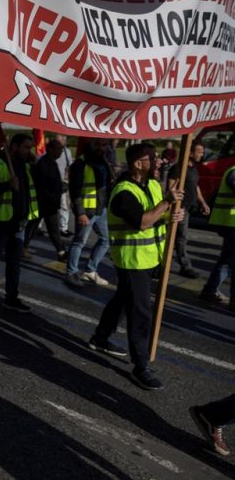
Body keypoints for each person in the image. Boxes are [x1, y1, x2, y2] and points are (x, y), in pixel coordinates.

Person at [88, 143, 184, 390]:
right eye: (153, 158)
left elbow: (155, 215)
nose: (159, 162)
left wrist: (169, 215)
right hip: (132, 261)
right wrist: (165, 203)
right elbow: (142, 222)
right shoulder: (123, 191)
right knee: (140, 312)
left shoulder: (152, 185)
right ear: (138, 163)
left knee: (122, 298)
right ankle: (141, 366)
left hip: (152, 257)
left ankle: (101, 337)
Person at [0, 133, 39, 313]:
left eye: (30, 147)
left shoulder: (24, 165)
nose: (28, 151)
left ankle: (11, 297)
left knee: (14, 261)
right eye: (25, 147)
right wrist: (7, 185)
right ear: (13, 146)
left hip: (17, 222)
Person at [64, 140, 112, 287]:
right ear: (89, 145)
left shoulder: (103, 161)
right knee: (79, 242)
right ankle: (71, 273)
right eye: (97, 144)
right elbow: (74, 190)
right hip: (87, 211)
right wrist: (80, 213)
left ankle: (90, 271)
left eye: (103, 145)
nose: (101, 148)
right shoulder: (80, 164)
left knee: (105, 240)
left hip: (101, 209)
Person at [168, 142, 210, 278]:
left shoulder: (193, 168)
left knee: (177, 238)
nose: (201, 154)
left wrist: (203, 203)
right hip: (179, 208)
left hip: (188, 207)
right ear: (190, 153)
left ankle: (163, 265)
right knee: (180, 238)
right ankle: (185, 266)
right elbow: (171, 188)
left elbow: (195, 186)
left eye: (202, 152)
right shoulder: (178, 168)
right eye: (199, 151)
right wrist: (174, 205)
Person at [24, 139, 67, 261]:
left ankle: (61, 251)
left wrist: (62, 187)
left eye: (62, 149)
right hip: (44, 203)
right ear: (50, 149)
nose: (61, 152)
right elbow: (42, 185)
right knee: (33, 226)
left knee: (53, 229)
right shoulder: (43, 164)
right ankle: (24, 248)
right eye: (59, 149)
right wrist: (52, 196)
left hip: (50, 204)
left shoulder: (52, 163)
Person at [200, 164, 235, 308]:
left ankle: (210, 290)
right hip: (230, 222)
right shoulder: (234, 171)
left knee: (227, 259)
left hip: (228, 222)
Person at [54, 134, 73, 236]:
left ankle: (63, 228)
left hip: (63, 183)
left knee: (64, 206)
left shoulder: (67, 152)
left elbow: (69, 166)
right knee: (48, 206)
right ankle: (39, 226)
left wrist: (67, 178)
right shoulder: (49, 151)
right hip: (52, 183)